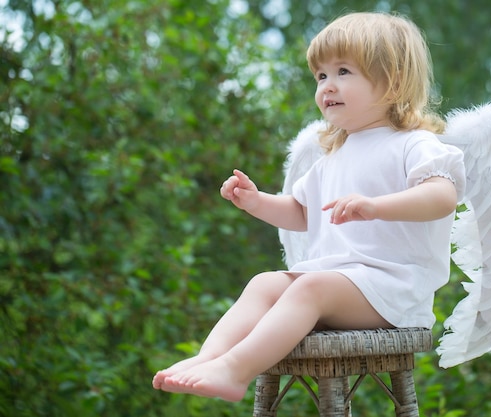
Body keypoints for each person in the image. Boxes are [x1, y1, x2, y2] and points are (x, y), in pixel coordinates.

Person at [152, 11, 465, 401]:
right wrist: (256, 201)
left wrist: (377, 206)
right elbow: (301, 214)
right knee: (264, 283)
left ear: (393, 80)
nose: (327, 86)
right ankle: (210, 357)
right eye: (320, 76)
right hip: (341, 283)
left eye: (343, 72)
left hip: (393, 288)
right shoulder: (332, 155)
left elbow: (441, 196)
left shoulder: (413, 144)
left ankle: (236, 371)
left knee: (310, 287)